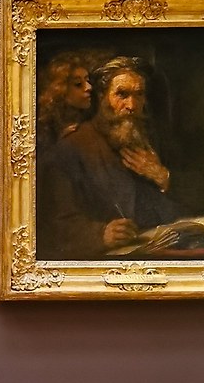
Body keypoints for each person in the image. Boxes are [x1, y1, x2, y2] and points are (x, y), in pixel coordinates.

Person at [38, 57, 195, 258]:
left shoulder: (152, 139)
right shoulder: (71, 148)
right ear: (102, 97)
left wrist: (164, 177)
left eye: (139, 94)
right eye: (122, 94)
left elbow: (200, 192)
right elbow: (53, 226)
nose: (132, 105)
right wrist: (101, 234)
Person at [36, 52, 93, 150]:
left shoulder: (91, 117)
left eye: (88, 80)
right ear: (61, 89)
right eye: (78, 84)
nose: (89, 87)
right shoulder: (45, 127)